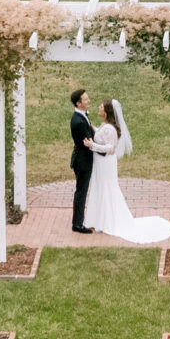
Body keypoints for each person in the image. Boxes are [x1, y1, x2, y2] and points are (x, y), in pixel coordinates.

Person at [85, 99, 170, 243]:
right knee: (102, 188)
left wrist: (92, 145)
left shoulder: (110, 129)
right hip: (102, 164)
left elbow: (110, 148)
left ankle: (107, 220)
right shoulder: (106, 126)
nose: (99, 107)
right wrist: (91, 127)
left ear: (107, 112)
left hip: (105, 164)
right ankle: (101, 219)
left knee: (107, 188)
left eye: (101, 106)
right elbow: (101, 135)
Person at [69, 89, 97, 234]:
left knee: (81, 191)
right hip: (82, 161)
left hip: (82, 159)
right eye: (85, 99)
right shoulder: (78, 121)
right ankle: (77, 224)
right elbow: (90, 140)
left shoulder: (81, 116)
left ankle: (78, 220)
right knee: (81, 192)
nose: (88, 101)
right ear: (79, 103)